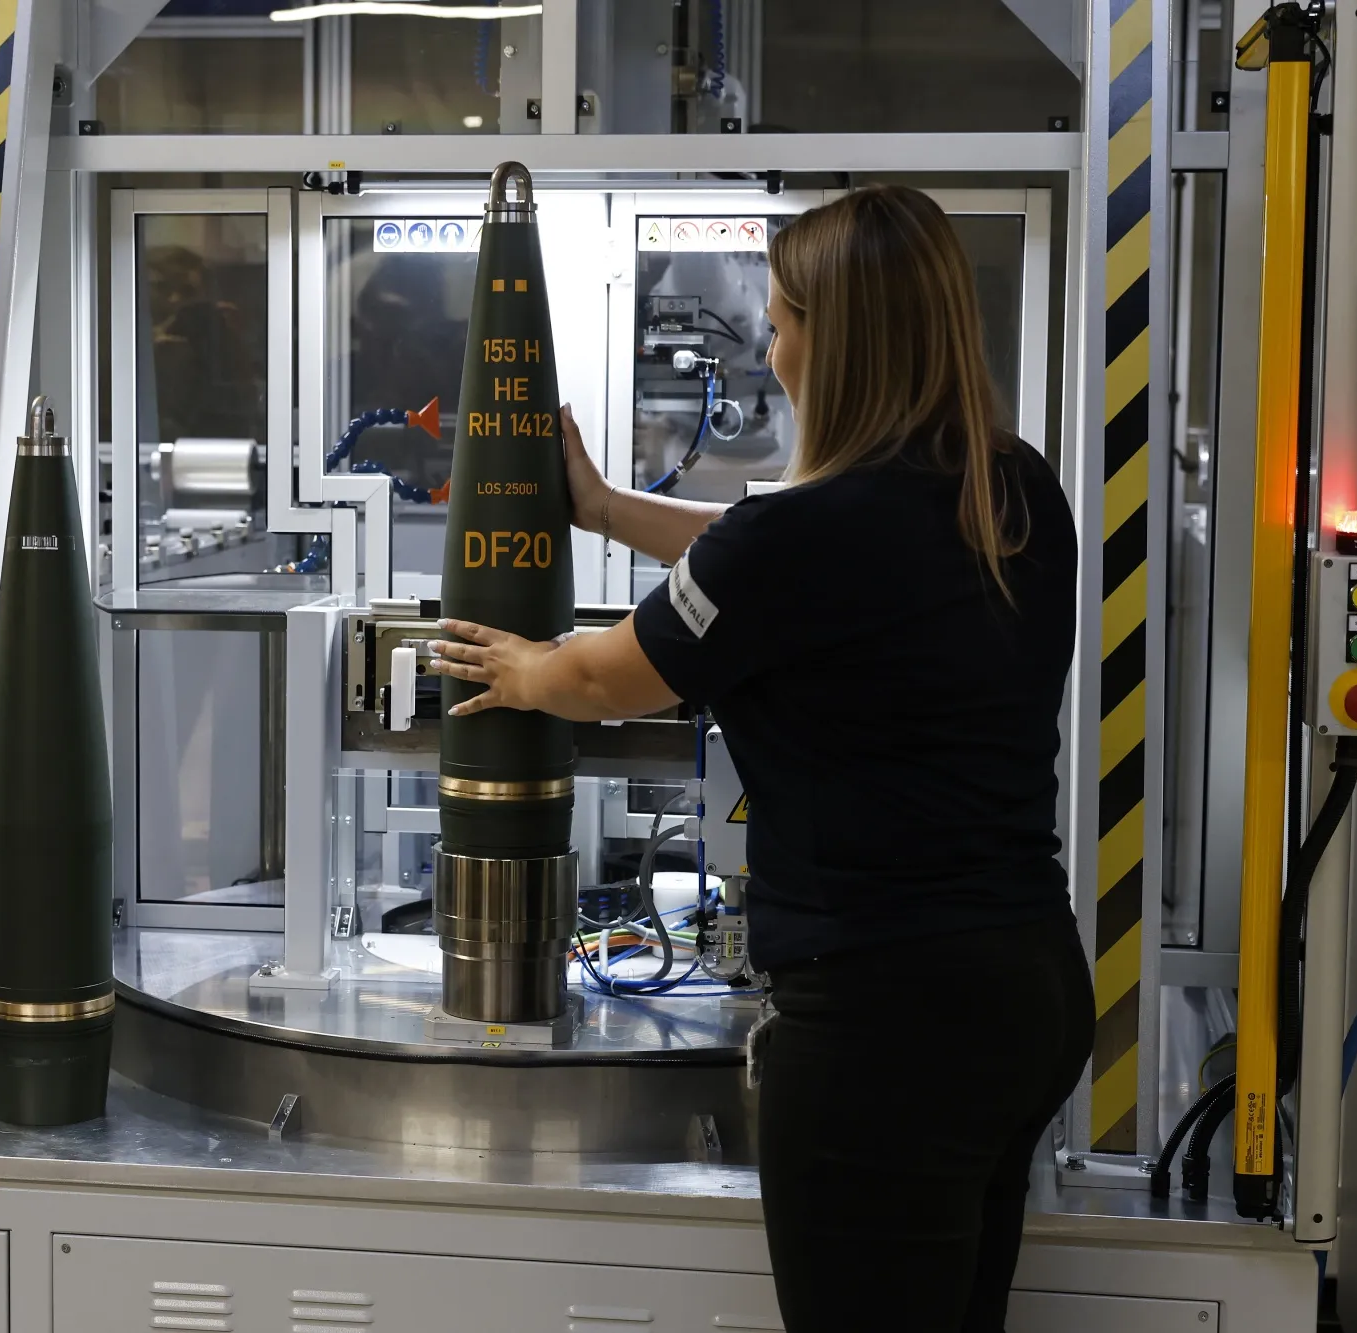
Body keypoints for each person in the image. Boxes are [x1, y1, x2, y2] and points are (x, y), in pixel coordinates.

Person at [426, 185, 1094, 1332]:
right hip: (1023, 991)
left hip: (882, 1025)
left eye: (781, 322)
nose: (773, 349)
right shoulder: (1009, 486)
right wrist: (602, 507)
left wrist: (520, 669)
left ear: (836, 342)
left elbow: (609, 676)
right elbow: (781, 564)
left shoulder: (804, 539)